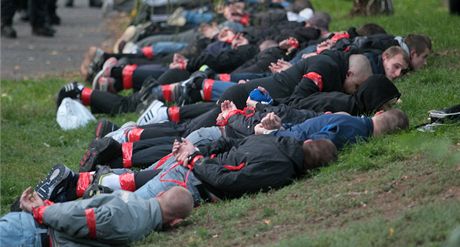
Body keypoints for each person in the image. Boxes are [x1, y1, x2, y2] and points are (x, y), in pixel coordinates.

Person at [0, 186, 193, 246]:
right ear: (176, 221)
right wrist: (45, 209)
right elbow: (80, 217)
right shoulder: (137, 222)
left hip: (28, 233)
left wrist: (40, 211)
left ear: (160, 194)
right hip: (30, 233)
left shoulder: (132, 200)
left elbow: (78, 218)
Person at [254, 108, 409, 150]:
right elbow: (308, 142)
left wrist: (274, 131)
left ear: (379, 113)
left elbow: (307, 140)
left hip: (282, 133)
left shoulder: (353, 123)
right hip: (283, 133)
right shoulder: (355, 131)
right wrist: (274, 131)